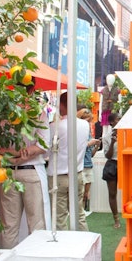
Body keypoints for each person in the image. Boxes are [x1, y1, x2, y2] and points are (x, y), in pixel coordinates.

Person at [0, 84, 51, 249]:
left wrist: (13, 156)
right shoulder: (37, 113)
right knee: (37, 224)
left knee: (8, 226)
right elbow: (43, 145)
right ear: (32, 90)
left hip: (8, 173)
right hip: (32, 171)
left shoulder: (3, 115)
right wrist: (23, 155)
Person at [46, 92, 90, 231]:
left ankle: (64, 249)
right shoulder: (84, 125)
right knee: (79, 214)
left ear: (62, 105)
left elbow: (47, 150)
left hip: (58, 176)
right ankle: (85, 245)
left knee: (59, 218)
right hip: (77, 174)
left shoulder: (55, 126)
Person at [76, 108, 101, 212]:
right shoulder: (76, 132)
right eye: (87, 121)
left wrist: (96, 147)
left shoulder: (89, 133)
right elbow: (75, 148)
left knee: (86, 193)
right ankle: (79, 212)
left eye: (89, 121)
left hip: (88, 165)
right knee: (80, 193)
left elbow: (90, 154)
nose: (89, 123)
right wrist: (88, 144)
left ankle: (84, 211)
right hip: (79, 166)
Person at [102, 113, 121, 229]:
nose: (120, 120)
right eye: (118, 119)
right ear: (112, 123)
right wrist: (113, 143)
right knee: (112, 193)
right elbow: (107, 156)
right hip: (112, 164)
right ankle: (116, 219)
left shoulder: (127, 133)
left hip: (125, 163)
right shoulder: (106, 137)